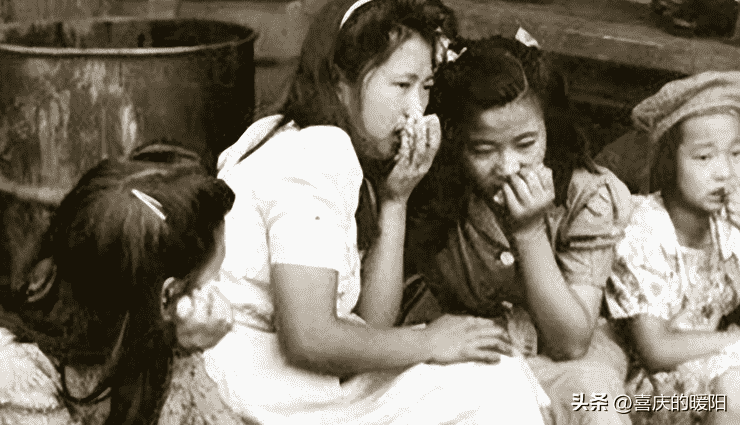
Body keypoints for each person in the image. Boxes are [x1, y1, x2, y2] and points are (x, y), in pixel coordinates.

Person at [204, 0, 551, 423]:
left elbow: (372, 325)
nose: (415, 110)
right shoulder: (317, 152)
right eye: (401, 85)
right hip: (260, 384)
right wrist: (429, 341)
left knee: (494, 370)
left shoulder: (330, 147)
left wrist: (395, 200)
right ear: (339, 81)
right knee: (492, 382)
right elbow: (308, 338)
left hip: (286, 380)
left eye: (425, 87)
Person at [404, 34, 633, 425]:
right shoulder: (438, 192)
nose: (508, 167)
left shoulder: (586, 195)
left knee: (595, 399)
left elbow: (571, 343)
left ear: (549, 129)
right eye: (483, 150)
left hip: (569, 359)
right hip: (478, 356)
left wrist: (529, 232)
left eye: (526, 144)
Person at [0, 153, 239, 425]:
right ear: (167, 296)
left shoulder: (141, 343)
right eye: (214, 278)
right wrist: (183, 362)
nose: (222, 297)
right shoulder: (17, 375)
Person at [605, 71, 740, 425]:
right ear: (668, 160)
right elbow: (656, 349)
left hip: (716, 366)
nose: (725, 172)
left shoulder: (728, 222)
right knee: (734, 387)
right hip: (646, 392)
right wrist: (732, 343)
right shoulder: (644, 228)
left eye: (737, 153)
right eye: (704, 157)